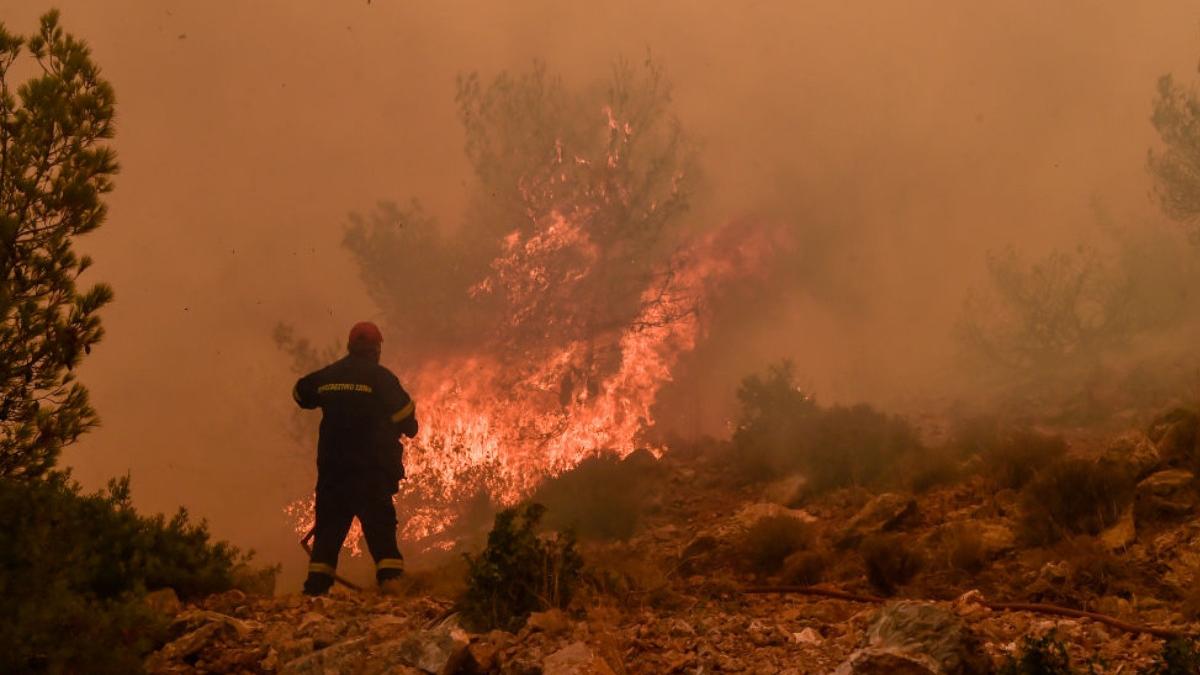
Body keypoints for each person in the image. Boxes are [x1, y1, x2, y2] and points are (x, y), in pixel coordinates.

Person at [292, 321, 418, 595]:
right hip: (370, 473)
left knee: (327, 534)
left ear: (350, 347)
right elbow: (408, 422)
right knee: (381, 531)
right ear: (376, 349)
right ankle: (392, 588)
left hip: (333, 474)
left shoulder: (330, 375)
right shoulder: (381, 378)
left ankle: (314, 594)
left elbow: (300, 392)